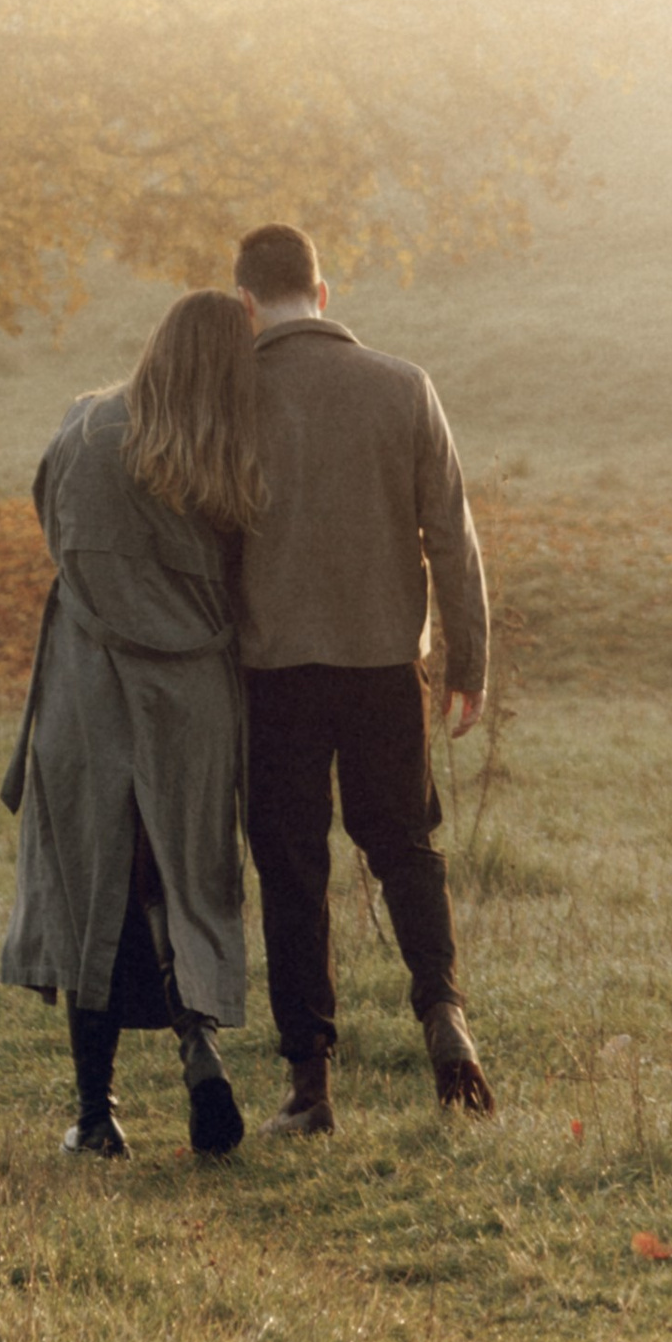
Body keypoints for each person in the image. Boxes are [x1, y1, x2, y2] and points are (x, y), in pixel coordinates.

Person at [232, 221, 495, 1133]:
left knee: (292, 869)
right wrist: (469, 657)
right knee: (405, 847)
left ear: (246, 304)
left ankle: (310, 1088)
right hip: (385, 660)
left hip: (271, 670)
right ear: (325, 293)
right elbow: (451, 536)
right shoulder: (402, 386)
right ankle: (445, 1015)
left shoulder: (229, 398)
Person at [0, 291, 260, 1159]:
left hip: (91, 689)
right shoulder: (232, 455)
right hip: (191, 700)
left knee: (95, 884)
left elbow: (52, 527)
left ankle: (97, 1113)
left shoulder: (86, 430)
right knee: (182, 878)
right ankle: (198, 1043)